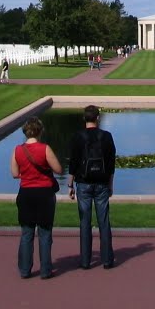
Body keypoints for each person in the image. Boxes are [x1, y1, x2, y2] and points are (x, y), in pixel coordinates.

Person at [10, 116, 63, 279]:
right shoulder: (45, 149)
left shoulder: (18, 150)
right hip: (44, 194)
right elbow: (59, 169)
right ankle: (46, 270)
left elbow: (14, 174)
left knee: (27, 232)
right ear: (40, 131)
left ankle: (25, 270)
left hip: (26, 193)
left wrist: (27, 174)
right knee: (45, 232)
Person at [67, 105, 116, 270]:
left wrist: (70, 184)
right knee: (104, 221)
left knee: (84, 222)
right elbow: (111, 164)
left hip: (83, 182)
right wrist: (110, 184)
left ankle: (85, 261)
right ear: (98, 118)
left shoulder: (77, 136)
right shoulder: (106, 136)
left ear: (84, 118)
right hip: (102, 183)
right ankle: (107, 260)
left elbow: (73, 162)